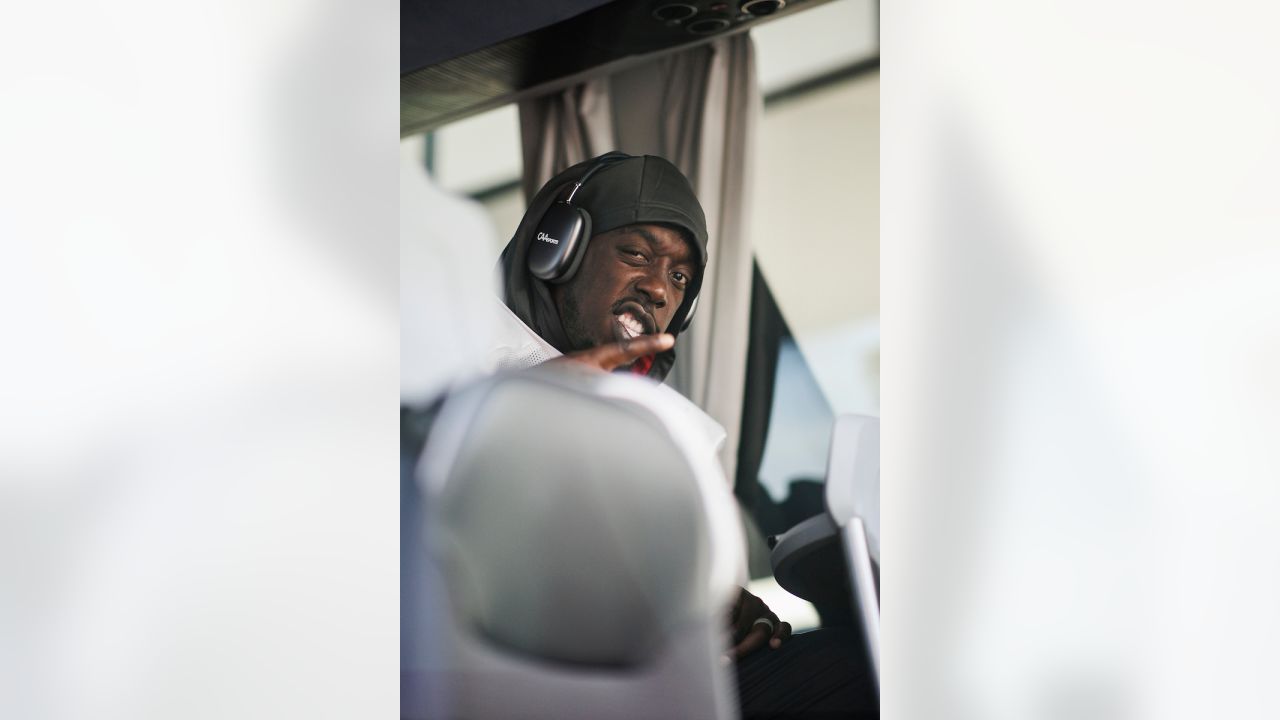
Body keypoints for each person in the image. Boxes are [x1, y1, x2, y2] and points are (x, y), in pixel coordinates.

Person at [488, 152, 878, 719]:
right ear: (558, 249)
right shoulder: (448, 371)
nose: (657, 290)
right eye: (636, 254)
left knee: (861, 662)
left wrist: (731, 614)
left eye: (679, 277)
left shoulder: (652, 425)